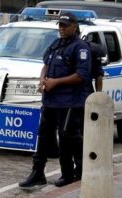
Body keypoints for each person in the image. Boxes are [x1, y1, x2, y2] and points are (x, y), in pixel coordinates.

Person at [19, 12, 92, 189]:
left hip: (69, 102)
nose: (62, 29)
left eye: (66, 26)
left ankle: (70, 174)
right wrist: (43, 79)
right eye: (60, 25)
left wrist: (55, 82)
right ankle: (38, 173)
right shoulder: (56, 44)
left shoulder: (80, 48)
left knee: (67, 139)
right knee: (43, 137)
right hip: (50, 101)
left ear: (75, 26)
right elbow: (46, 63)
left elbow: (81, 76)